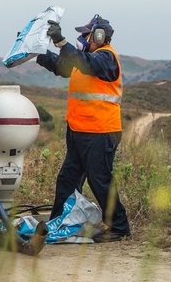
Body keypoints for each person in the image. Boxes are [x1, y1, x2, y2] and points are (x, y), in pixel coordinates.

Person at [36, 14, 130, 242]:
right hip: (79, 131)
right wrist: (36, 51)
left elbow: (86, 63)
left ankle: (119, 227)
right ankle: (59, 222)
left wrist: (61, 42)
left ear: (99, 36)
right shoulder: (83, 60)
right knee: (68, 179)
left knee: (99, 179)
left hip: (100, 132)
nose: (83, 38)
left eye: (86, 34)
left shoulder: (106, 58)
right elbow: (61, 66)